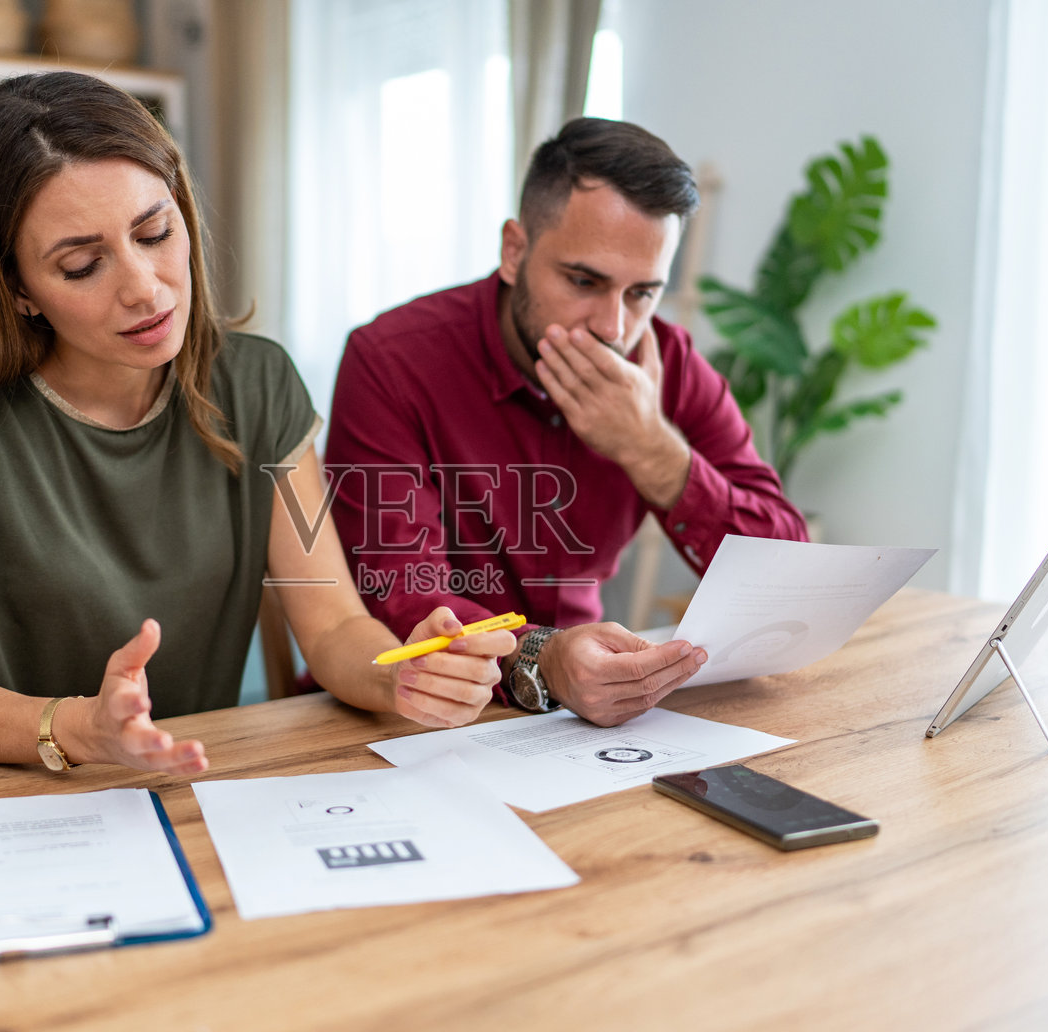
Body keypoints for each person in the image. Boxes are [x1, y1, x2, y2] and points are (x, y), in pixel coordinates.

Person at [0, 72, 513, 774]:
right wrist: (79, 727)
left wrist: (398, 675)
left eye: (156, 231)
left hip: (181, 787)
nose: (144, 286)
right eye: (81, 265)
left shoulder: (258, 384)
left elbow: (335, 624)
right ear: (15, 288)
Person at [325, 118, 807, 729]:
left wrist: (654, 450)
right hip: (405, 713)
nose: (613, 327)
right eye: (584, 281)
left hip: (578, 720)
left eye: (642, 293)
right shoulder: (392, 361)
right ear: (514, 251)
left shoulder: (668, 364)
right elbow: (400, 594)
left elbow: (791, 578)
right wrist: (542, 657)